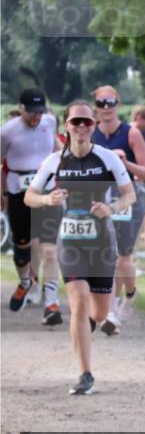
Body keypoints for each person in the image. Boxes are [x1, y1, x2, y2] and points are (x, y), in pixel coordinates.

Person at [24, 101, 135, 394]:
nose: (82, 127)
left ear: (94, 125)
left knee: (98, 314)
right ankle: (85, 374)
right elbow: (29, 196)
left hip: (101, 244)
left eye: (87, 121)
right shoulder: (54, 162)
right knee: (78, 300)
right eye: (76, 122)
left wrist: (111, 207)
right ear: (66, 126)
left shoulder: (108, 158)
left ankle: (83, 328)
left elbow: (129, 195)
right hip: (70, 242)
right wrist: (47, 200)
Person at [91, 85, 145, 335]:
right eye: (102, 103)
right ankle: (111, 312)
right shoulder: (90, 133)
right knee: (105, 256)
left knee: (123, 258)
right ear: (95, 106)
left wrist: (124, 162)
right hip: (99, 196)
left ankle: (130, 293)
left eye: (111, 102)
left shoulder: (131, 133)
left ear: (119, 104)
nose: (106, 108)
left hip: (128, 196)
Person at [1, 88, 62, 321]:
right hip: (18, 191)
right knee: (22, 248)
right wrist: (2, 192)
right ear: (21, 109)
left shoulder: (49, 121)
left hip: (47, 190)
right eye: (32, 113)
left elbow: (57, 147)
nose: (37, 117)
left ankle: (52, 303)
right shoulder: (6, 132)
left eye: (40, 111)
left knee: (49, 248)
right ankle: (26, 281)